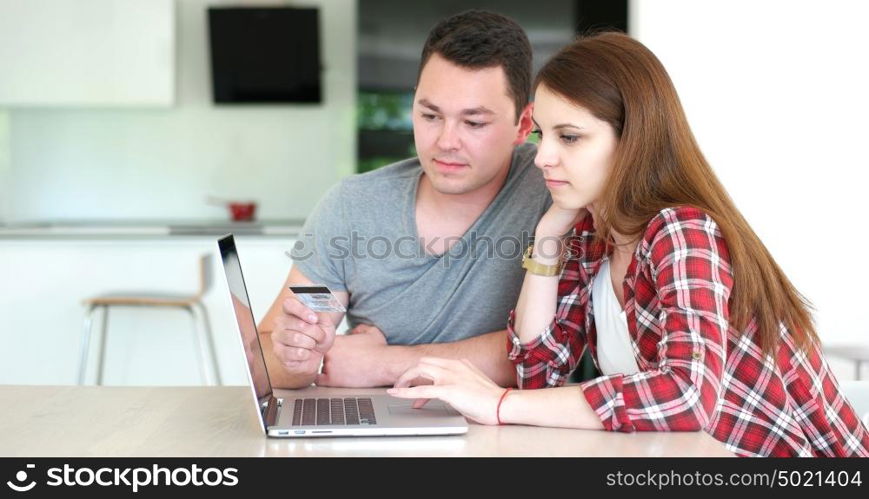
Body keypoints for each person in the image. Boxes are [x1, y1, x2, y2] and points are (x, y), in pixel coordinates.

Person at [388, 32, 869, 457]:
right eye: (542, 134)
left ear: (631, 141)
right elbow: (538, 373)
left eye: (570, 137)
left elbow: (685, 396)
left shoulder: (681, 231)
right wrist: (548, 236)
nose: (543, 157)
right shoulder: (590, 237)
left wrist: (498, 403)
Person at [257, 10, 550, 389]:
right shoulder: (352, 208)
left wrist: (384, 364)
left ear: (523, 125)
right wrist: (297, 356)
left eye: (474, 123)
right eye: (430, 115)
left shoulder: (552, 187)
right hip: (378, 437)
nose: (446, 141)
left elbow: (543, 354)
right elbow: (267, 356)